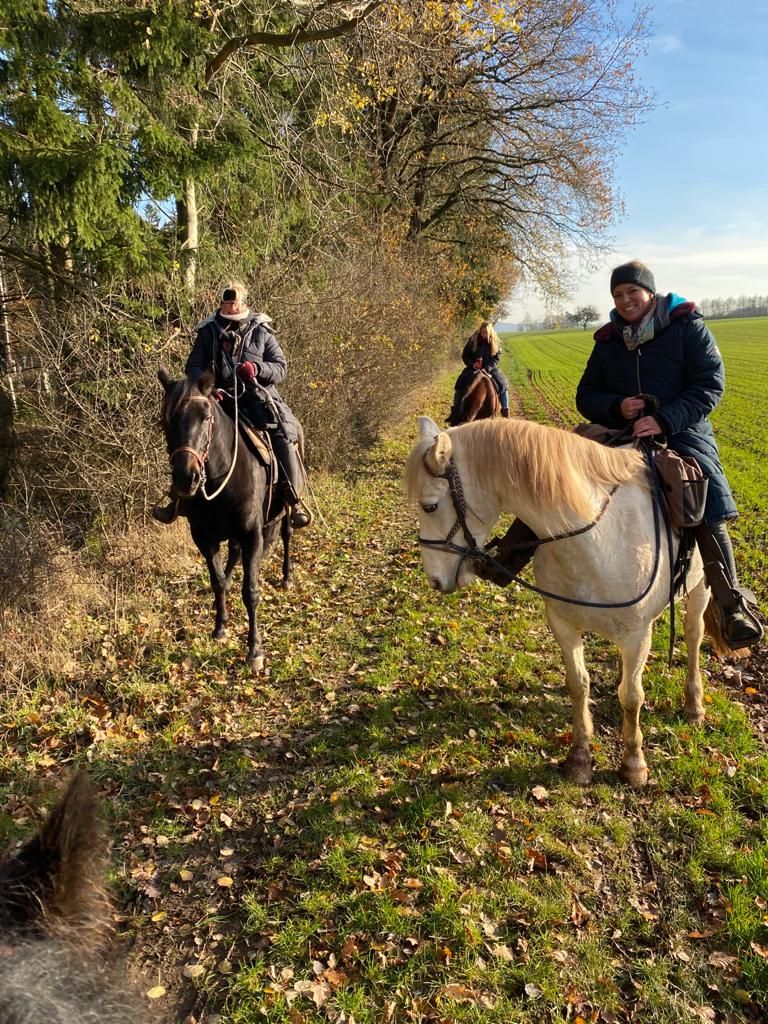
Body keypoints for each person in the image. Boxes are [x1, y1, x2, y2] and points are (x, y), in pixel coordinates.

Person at [476, 260, 763, 650]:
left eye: (632, 292)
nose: (625, 300)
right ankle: (509, 557)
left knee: (700, 492)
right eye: (617, 294)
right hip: (619, 432)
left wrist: (664, 419)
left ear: (649, 292)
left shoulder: (686, 327)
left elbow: (710, 384)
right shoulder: (608, 340)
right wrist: (617, 408)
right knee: (559, 474)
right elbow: (585, 395)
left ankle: (730, 605)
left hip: (681, 432)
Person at [153, 282, 311, 528]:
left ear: (244, 302)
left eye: (234, 301)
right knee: (188, 435)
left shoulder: (261, 331)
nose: (230, 305)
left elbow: (281, 367)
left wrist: (258, 369)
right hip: (219, 400)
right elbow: (193, 366)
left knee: (282, 434)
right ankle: (178, 498)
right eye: (226, 302)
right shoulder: (207, 331)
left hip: (257, 399)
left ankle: (293, 499)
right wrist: (208, 387)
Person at [448, 321, 510, 422]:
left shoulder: (494, 342)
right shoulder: (473, 341)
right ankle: (455, 412)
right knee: (460, 383)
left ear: (490, 333)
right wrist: (472, 364)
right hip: (473, 368)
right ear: (480, 331)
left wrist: (487, 368)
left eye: (486, 333)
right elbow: (465, 355)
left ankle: (505, 412)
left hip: (490, 369)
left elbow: (496, 358)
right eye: (482, 332)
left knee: (503, 385)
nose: (484, 335)